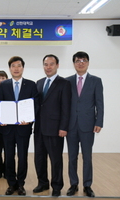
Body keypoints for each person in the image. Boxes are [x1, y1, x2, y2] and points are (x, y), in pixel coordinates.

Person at [0, 56, 38, 196]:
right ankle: (11, 184)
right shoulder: (4, 85)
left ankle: (20, 184)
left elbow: (35, 106)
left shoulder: (31, 85)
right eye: (13, 66)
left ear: (23, 68)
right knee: (9, 157)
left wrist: (30, 120)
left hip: (23, 128)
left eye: (19, 65)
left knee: (22, 156)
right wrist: (0, 118)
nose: (16, 68)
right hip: (7, 128)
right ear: (10, 68)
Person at [66, 51, 104, 197]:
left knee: (87, 157)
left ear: (88, 63)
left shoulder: (96, 81)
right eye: (77, 60)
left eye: (83, 60)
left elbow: (100, 104)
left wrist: (99, 121)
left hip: (88, 125)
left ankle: (87, 185)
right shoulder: (67, 81)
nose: (80, 63)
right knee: (72, 156)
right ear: (74, 63)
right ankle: (73, 184)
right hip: (71, 125)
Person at [34, 54, 71, 196]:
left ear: (57, 65)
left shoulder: (64, 83)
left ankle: (57, 186)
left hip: (55, 129)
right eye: (45, 64)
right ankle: (42, 183)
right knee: (39, 158)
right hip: (39, 128)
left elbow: (66, 107)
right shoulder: (39, 82)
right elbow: (37, 105)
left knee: (55, 159)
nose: (48, 67)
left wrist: (63, 127)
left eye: (51, 64)